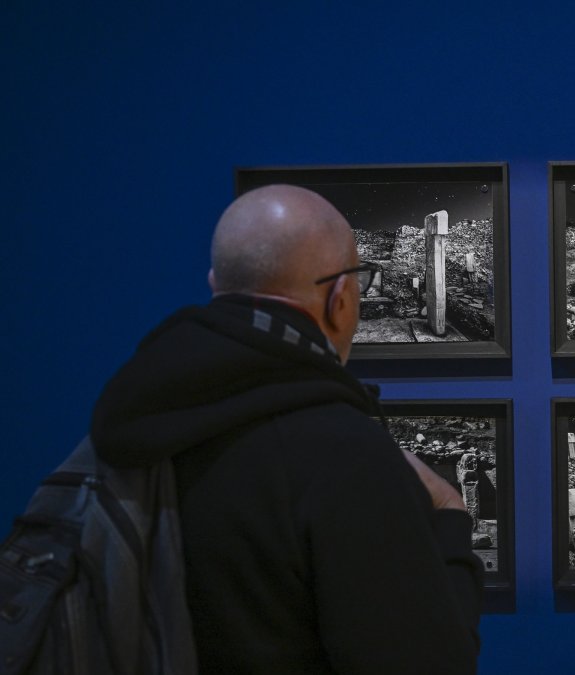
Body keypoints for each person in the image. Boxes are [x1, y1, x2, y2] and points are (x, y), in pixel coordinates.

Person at [90, 185, 482, 673]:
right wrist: (448, 516)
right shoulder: (344, 456)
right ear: (341, 299)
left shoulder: (132, 425)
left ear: (217, 283)